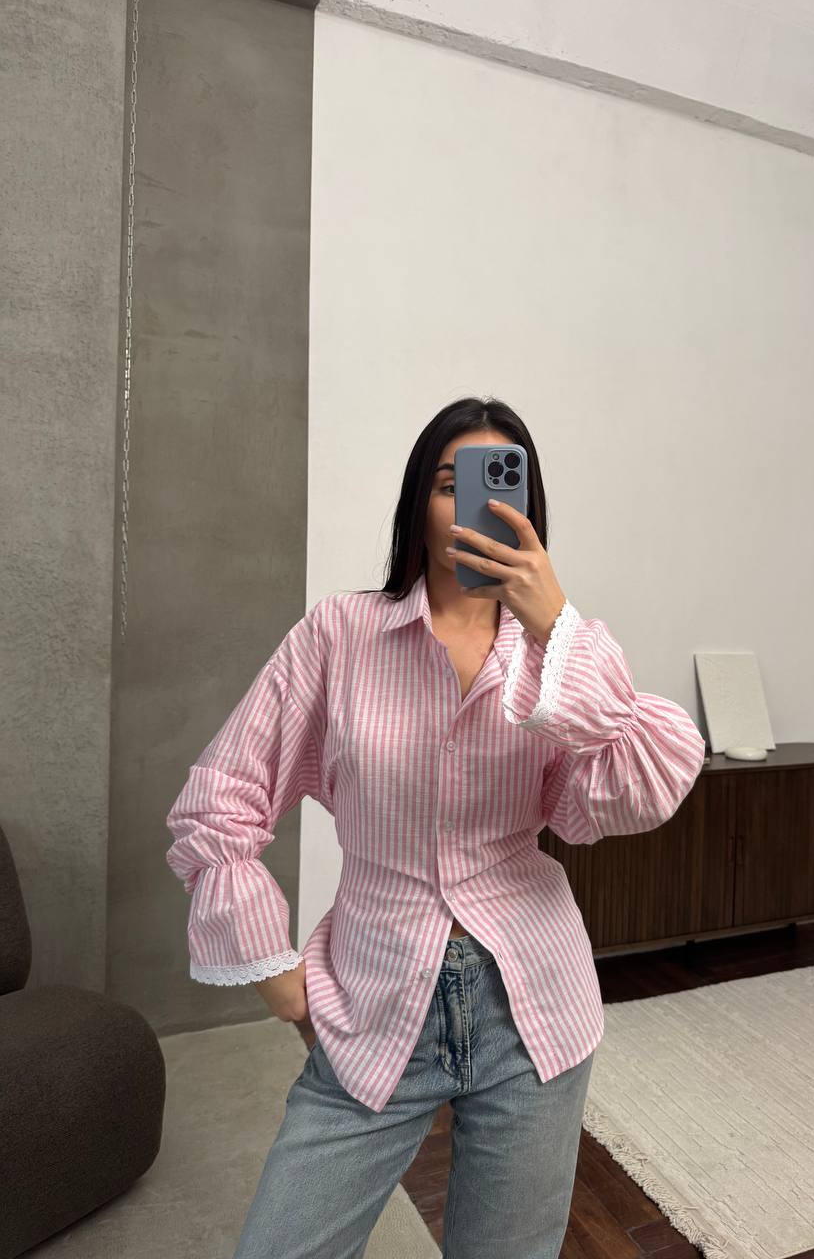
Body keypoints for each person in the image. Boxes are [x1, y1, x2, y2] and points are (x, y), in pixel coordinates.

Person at [165, 395, 705, 1258]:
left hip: (534, 1004)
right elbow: (221, 798)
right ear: (420, 503)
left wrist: (557, 622)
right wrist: (278, 976)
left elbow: (641, 776)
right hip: (372, 992)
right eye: (451, 484)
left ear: (526, 509)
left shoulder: (557, 662)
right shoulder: (340, 634)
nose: (473, 506)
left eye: (498, 484)